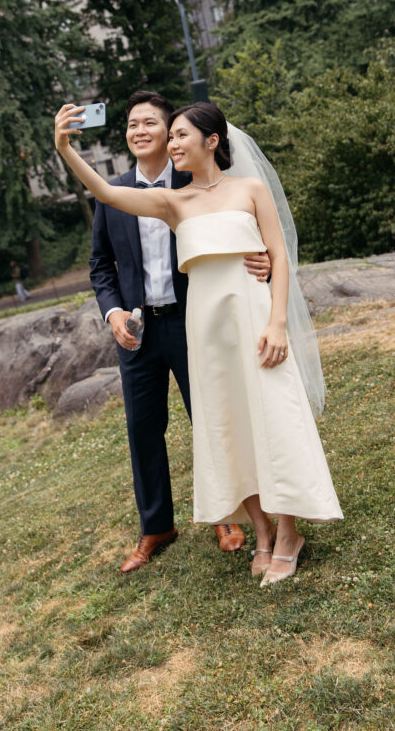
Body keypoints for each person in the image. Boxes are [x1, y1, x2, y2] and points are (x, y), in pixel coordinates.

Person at [57, 99, 342, 586]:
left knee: (272, 417)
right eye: (172, 138)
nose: (171, 144)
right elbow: (103, 190)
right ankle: (262, 532)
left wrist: (277, 324)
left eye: (179, 135)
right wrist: (64, 147)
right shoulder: (174, 204)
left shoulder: (251, 190)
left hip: (253, 321)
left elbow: (278, 255)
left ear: (212, 141)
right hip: (205, 332)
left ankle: (290, 532)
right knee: (227, 425)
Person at [89, 91, 271, 573]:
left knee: (212, 419)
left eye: (151, 123)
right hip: (138, 331)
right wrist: (112, 315)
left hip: (196, 324)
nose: (139, 131)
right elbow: (100, 267)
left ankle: (226, 518)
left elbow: (236, 235)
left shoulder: (194, 185)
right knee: (142, 430)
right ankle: (155, 527)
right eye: (131, 125)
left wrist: (262, 256)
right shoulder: (114, 193)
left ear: (172, 133)